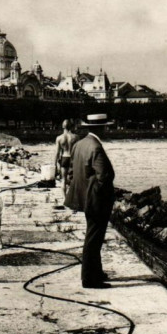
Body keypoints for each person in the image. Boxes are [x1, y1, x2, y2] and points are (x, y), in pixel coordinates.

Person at [64, 113, 115, 289]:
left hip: (85, 198)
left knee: (94, 236)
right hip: (96, 200)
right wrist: (101, 196)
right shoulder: (96, 147)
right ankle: (89, 279)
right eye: (106, 126)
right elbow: (104, 176)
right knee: (94, 239)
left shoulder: (79, 144)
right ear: (101, 128)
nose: (107, 129)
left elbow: (72, 172)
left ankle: (97, 272)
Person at [54, 119, 79, 194]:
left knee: (63, 180)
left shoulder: (59, 138)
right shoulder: (76, 137)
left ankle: (65, 199)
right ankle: (72, 198)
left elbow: (57, 153)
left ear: (62, 127)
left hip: (64, 158)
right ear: (71, 127)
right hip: (73, 158)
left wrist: (55, 164)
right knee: (73, 180)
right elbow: (78, 151)